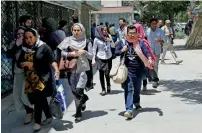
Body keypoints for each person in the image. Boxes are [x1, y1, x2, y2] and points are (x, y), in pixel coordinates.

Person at [52, 23, 93, 122]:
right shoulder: (68, 40)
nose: (76, 32)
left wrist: (84, 52)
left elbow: (91, 56)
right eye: (74, 30)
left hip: (83, 69)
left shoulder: (87, 42)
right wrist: (71, 53)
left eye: (78, 30)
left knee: (78, 91)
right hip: (71, 69)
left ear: (82, 30)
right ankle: (83, 99)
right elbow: (61, 51)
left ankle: (78, 113)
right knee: (74, 90)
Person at [17, 28, 53, 132]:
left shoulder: (44, 47)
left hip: (42, 77)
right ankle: (48, 116)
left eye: (31, 37)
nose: (28, 40)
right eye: (26, 38)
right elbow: (18, 62)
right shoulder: (24, 48)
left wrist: (32, 65)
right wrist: (22, 64)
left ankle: (37, 122)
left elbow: (51, 60)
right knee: (39, 98)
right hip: (30, 79)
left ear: (36, 36)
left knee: (38, 99)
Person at [115, 25, 153, 119]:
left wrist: (149, 58)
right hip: (127, 70)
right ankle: (129, 110)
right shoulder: (123, 42)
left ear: (137, 33)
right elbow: (115, 52)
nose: (132, 35)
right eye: (130, 33)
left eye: (134, 33)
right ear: (126, 33)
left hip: (139, 70)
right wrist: (121, 50)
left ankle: (137, 102)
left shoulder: (140, 42)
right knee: (129, 89)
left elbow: (145, 51)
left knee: (137, 89)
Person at [6, 26, 33, 124]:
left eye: (23, 34)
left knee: (25, 93)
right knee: (18, 94)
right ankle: (29, 111)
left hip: (29, 72)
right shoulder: (14, 43)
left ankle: (31, 111)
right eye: (19, 34)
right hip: (18, 72)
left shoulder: (30, 42)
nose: (21, 36)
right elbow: (9, 55)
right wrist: (17, 45)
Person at [92, 26, 115, 96]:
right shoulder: (96, 39)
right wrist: (93, 59)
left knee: (107, 73)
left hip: (108, 57)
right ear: (100, 31)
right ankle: (103, 89)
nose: (105, 32)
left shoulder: (109, 36)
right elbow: (94, 49)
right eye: (103, 30)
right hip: (100, 57)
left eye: (106, 30)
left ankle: (108, 85)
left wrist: (110, 41)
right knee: (101, 73)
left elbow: (113, 46)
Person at [146, 18, 167, 88]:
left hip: (157, 51)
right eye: (153, 24)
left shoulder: (160, 31)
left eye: (155, 24)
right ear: (150, 24)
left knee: (155, 66)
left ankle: (155, 80)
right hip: (149, 51)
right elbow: (144, 39)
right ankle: (152, 78)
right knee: (150, 65)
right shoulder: (147, 31)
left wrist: (159, 40)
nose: (154, 25)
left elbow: (164, 40)